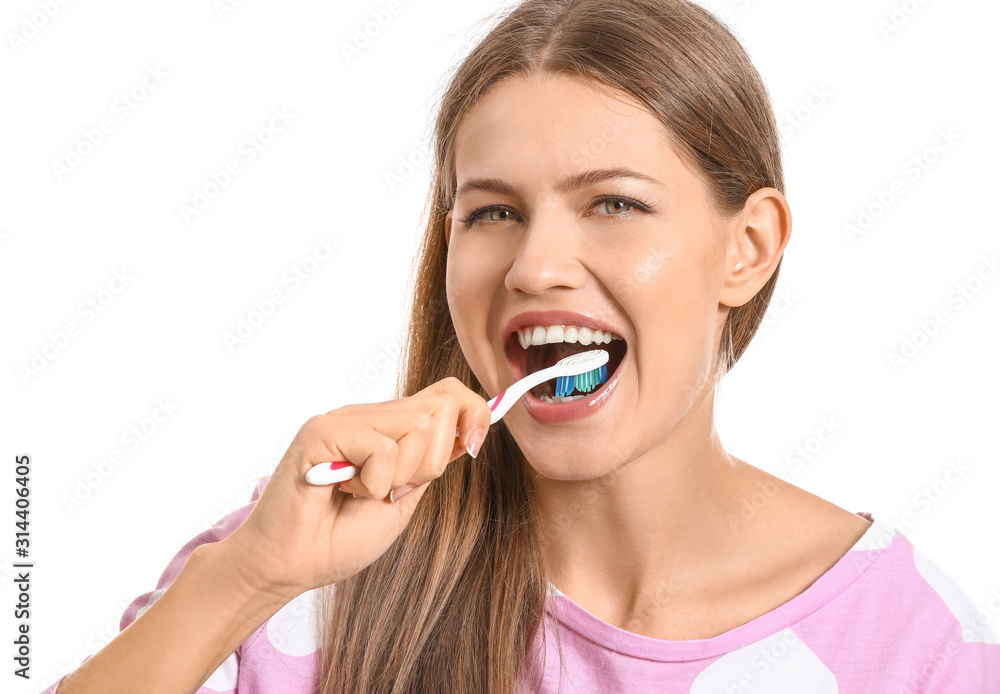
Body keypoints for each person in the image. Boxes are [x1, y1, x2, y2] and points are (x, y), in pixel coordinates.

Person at [43, 0, 1000, 692]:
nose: (536, 266)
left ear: (746, 249)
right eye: (493, 211)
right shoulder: (303, 559)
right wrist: (250, 577)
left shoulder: (910, 645)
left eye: (613, 203)